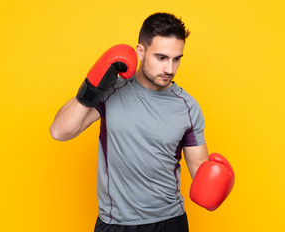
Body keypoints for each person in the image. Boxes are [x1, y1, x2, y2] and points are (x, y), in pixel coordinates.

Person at [50, 12, 234, 232]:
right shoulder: (110, 92)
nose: (170, 69)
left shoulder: (188, 106)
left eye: (177, 59)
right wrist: (93, 86)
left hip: (170, 221)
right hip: (116, 223)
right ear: (140, 51)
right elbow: (60, 132)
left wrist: (216, 186)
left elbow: (199, 170)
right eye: (161, 57)